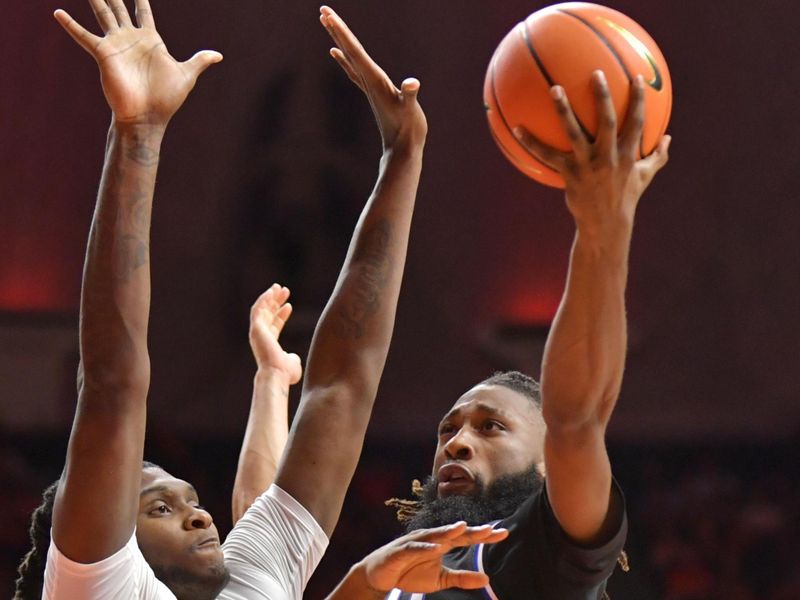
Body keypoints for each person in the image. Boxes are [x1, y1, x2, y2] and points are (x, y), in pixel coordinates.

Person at [37, 0, 497, 598]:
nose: (201, 517)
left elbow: (341, 386)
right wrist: (137, 132)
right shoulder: (99, 587)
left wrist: (401, 158)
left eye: (190, 503)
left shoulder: (254, 575)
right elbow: (112, 386)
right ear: (100, 533)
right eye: (159, 510)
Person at [383, 72, 672, 598]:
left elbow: (577, 420)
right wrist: (271, 383)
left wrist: (602, 229)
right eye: (448, 431)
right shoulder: (396, 576)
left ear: (547, 464)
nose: (458, 445)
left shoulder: (541, 557)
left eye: (491, 427)